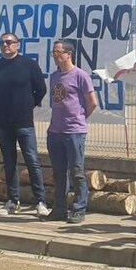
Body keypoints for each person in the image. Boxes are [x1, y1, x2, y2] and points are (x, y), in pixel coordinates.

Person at [0, 33, 50, 217]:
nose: (5, 45)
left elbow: (41, 89)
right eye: (2, 43)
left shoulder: (29, 65)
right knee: (9, 163)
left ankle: (40, 201)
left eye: (9, 42)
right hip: (2, 122)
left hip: (24, 122)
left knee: (32, 160)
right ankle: (13, 200)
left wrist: (27, 104)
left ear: (17, 45)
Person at [43, 39, 97, 224]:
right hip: (55, 131)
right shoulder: (54, 77)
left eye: (58, 52)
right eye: (53, 53)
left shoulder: (81, 75)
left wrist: (80, 119)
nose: (55, 56)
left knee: (77, 172)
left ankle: (79, 209)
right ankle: (59, 209)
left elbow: (92, 102)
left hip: (74, 132)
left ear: (69, 54)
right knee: (59, 173)